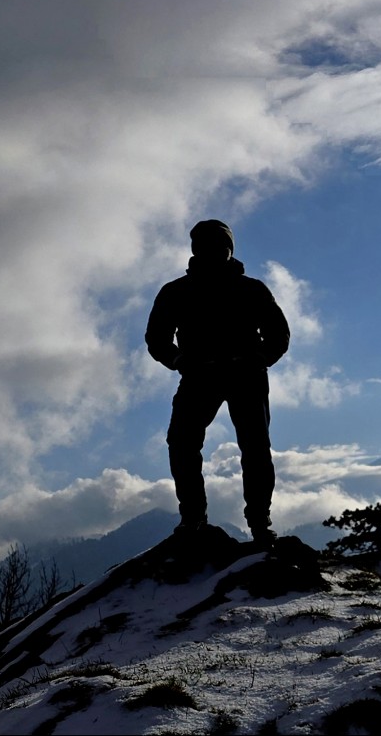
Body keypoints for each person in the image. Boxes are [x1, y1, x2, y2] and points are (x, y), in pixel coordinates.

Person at [145, 219, 292, 540]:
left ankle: (258, 522)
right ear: (196, 249)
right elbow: (156, 338)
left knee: (254, 448)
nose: (213, 251)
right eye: (206, 245)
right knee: (183, 442)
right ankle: (194, 518)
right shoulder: (176, 292)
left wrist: (258, 360)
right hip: (200, 375)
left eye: (220, 245)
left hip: (245, 376)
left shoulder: (251, 289)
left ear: (229, 249)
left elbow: (278, 334)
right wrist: (178, 360)